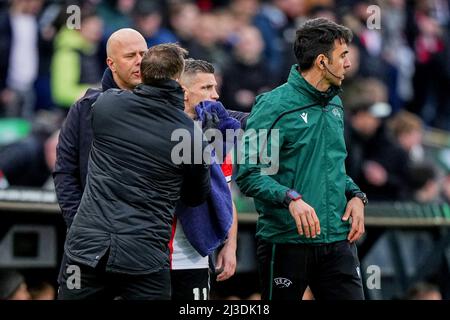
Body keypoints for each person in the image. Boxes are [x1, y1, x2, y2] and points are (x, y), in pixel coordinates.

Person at [57, 43, 210, 300]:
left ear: (144, 73)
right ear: (178, 80)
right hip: (144, 257)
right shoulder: (189, 134)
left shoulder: (105, 105)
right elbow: (196, 196)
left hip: (86, 250)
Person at [236, 18, 367, 300]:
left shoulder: (335, 103)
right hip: (286, 241)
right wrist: (290, 198)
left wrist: (356, 195)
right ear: (322, 61)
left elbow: (330, 168)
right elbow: (249, 174)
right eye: (343, 55)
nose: (348, 63)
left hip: (337, 240)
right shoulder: (273, 106)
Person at [170, 58, 239, 300]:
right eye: (207, 88)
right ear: (184, 93)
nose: (216, 95)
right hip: (155, 253)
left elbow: (225, 195)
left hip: (195, 257)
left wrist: (230, 246)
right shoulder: (160, 130)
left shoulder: (221, 136)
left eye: (216, 87)